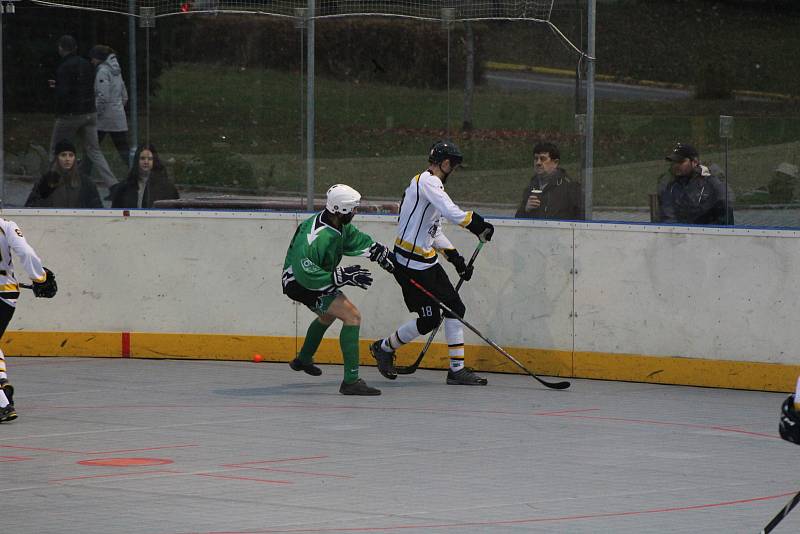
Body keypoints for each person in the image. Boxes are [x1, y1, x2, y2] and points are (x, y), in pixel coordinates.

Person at [369, 141, 494, 386]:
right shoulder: (428, 182)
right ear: (445, 163)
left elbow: (433, 231)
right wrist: (479, 226)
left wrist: (456, 258)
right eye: (454, 165)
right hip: (411, 265)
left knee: (439, 315)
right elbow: (452, 212)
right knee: (442, 314)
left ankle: (386, 349)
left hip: (422, 262)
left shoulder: (425, 187)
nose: (454, 170)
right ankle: (451, 369)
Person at [282, 184, 395, 396]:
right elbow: (304, 269)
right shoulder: (317, 236)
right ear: (341, 210)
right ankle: (351, 381)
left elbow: (353, 238)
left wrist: (378, 251)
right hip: (300, 282)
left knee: (328, 315)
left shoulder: (336, 223)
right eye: (353, 209)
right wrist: (338, 277)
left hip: (313, 279)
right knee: (352, 316)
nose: (355, 212)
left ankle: (303, 359)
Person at [0, 219, 58, 423]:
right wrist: (39, 278)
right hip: (6, 293)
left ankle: (3, 403)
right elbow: (26, 253)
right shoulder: (6, 225)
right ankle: (2, 387)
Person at [47, 35, 118, 195]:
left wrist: (56, 91)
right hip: (89, 113)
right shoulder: (87, 65)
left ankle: (50, 185)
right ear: (76, 48)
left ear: (61, 48)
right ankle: (113, 185)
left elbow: (64, 93)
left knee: (55, 149)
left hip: (70, 114)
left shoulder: (64, 67)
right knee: (94, 150)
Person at [658, 142, 734, 225]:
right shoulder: (671, 187)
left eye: (680, 161)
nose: (675, 165)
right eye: (673, 162)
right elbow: (667, 216)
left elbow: (725, 213)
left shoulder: (712, 183)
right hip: (679, 235)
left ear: (695, 162)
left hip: (709, 234)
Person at [85, 45, 130, 176]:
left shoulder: (103, 71)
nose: (91, 61)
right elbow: (124, 96)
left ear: (98, 58)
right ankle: (138, 174)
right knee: (123, 149)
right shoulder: (117, 71)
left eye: (92, 58)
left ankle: (84, 176)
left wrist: (96, 112)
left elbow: (102, 96)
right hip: (118, 117)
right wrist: (118, 108)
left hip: (103, 118)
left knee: (91, 148)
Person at [515, 141, 584, 220]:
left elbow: (581, 223)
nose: (538, 163)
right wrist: (525, 210)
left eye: (543, 159)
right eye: (536, 158)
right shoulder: (531, 187)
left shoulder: (571, 188)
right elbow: (517, 221)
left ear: (555, 163)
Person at [25, 140, 103, 208]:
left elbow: (97, 210)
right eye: (63, 155)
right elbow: (30, 208)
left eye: (71, 155)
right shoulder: (46, 181)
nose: (67, 159)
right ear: (57, 158)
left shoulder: (85, 182)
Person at [111, 144, 179, 208]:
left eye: (149, 159)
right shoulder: (124, 187)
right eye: (142, 158)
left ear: (154, 161)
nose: (146, 162)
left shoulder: (166, 187)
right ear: (137, 160)